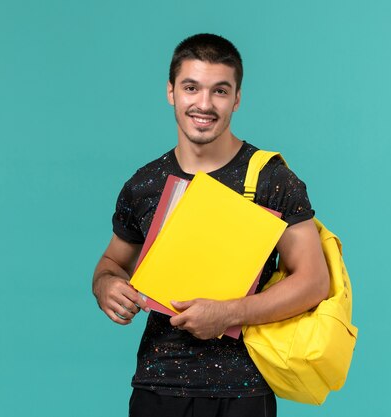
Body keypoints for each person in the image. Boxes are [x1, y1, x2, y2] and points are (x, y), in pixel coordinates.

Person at [92, 33, 330, 417]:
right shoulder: (144, 184)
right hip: (158, 386)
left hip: (244, 390)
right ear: (171, 92)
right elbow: (110, 263)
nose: (204, 104)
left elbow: (314, 282)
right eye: (191, 87)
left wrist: (228, 314)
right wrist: (105, 285)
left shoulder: (271, 179)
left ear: (237, 99)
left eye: (220, 91)